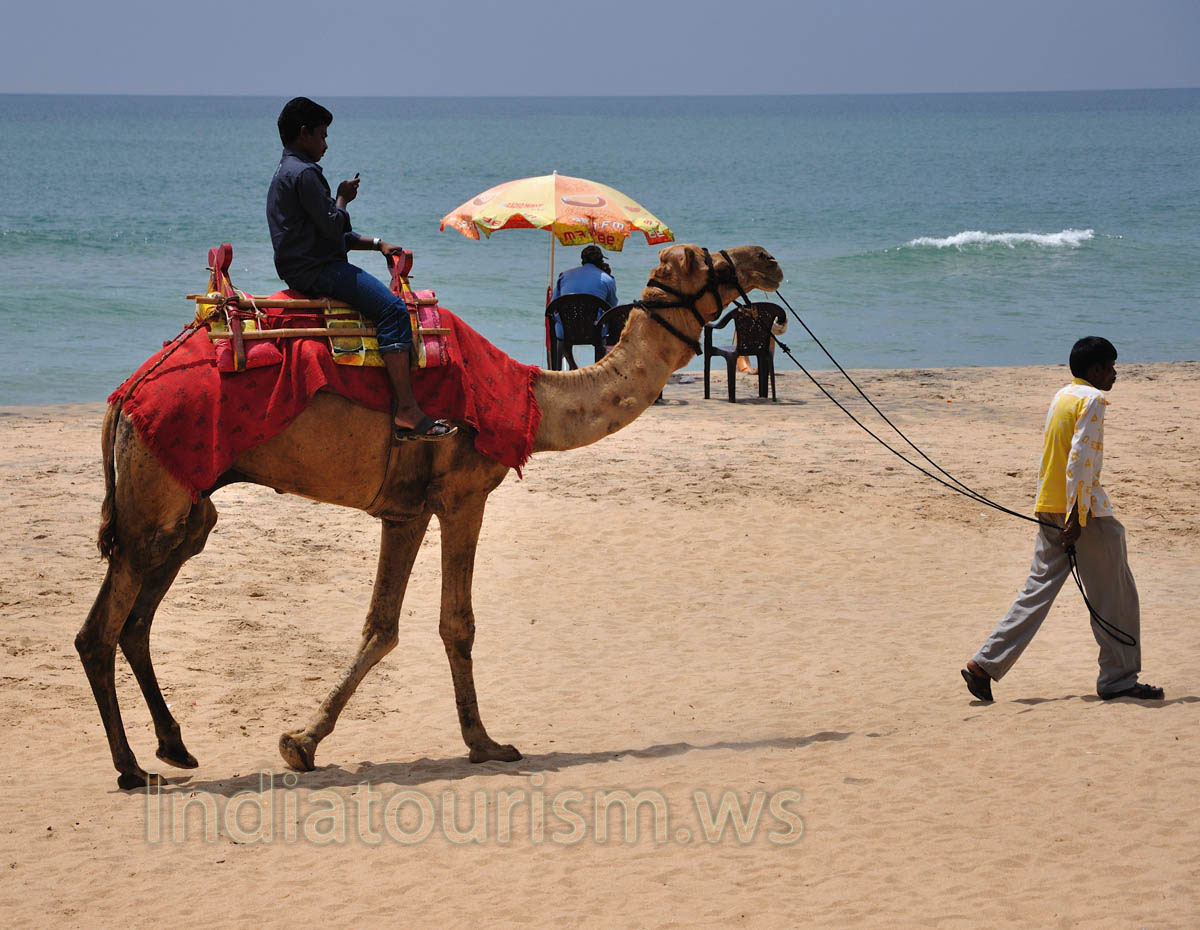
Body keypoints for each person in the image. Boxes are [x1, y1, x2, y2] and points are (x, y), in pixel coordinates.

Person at [961, 337, 1163, 703]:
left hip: (1049, 504)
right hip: (1081, 512)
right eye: (1111, 367)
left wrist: (1060, 510)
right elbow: (1080, 461)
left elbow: (1056, 455)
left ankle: (984, 664)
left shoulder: (1063, 395)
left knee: (1038, 588)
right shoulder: (1093, 400)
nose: (1115, 374)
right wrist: (1077, 516)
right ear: (1096, 370)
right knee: (1116, 593)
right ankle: (1118, 680)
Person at [266, 97, 455, 441]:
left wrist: (376, 243)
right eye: (322, 135)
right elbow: (331, 224)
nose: (325, 143)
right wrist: (341, 198)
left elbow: (326, 231)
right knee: (394, 311)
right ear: (304, 133)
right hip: (319, 270)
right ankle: (408, 411)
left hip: (301, 266)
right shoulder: (307, 174)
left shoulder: (284, 172)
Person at [550, 245, 617, 344]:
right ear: (601, 262)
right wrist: (608, 275)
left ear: (583, 260)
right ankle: (604, 356)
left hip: (565, 331)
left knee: (561, 325)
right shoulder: (607, 279)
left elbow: (553, 304)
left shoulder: (565, 276)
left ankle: (562, 357)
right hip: (595, 331)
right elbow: (612, 306)